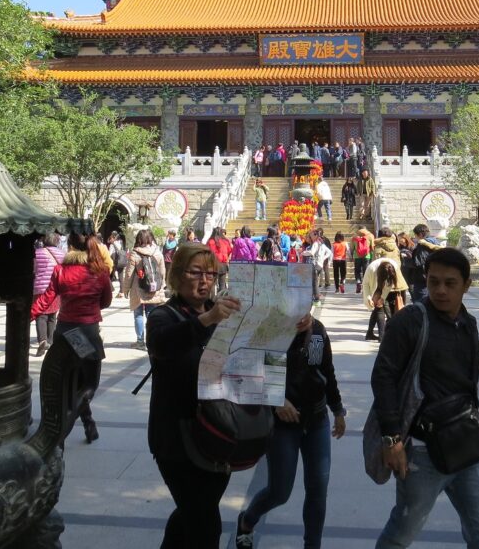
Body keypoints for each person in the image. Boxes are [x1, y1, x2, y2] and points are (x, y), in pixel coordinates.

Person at [371, 248, 479, 548]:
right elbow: (383, 377)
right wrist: (391, 440)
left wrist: (478, 434)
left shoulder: (469, 324)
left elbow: (469, 384)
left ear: (467, 285)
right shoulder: (411, 321)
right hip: (422, 452)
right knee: (400, 536)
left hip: (466, 448)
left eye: (450, 283)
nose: (440, 290)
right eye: (433, 281)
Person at [146, 243, 242, 549]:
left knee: (193, 513)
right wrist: (208, 319)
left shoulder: (223, 314)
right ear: (177, 275)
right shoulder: (163, 315)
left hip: (217, 436)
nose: (205, 280)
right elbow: (163, 345)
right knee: (204, 523)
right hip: (176, 438)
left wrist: (298, 329)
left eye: (211, 274)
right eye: (196, 272)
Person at [235, 316, 346, 549]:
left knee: (318, 490)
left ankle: (312, 545)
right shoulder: (269, 330)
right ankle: (247, 520)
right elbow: (247, 372)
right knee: (279, 492)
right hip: (283, 426)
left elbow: (327, 371)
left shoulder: (318, 331)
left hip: (317, 421)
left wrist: (337, 409)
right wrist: (275, 400)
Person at [31, 232, 113, 442]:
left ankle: (88, 424)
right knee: (88, 386)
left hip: (65, 333)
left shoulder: (61, 270)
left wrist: (28, 316)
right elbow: (106, 302)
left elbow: (47, 298)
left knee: (70, 383)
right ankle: (63, 429)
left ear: (70, 246)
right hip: (88, 334)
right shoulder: (100, 272)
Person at [122, 229, 167, 350]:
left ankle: (140, 341)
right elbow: (162, 271)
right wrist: (161, 285)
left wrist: (125, 289)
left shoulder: (135, 253)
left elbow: (129, 274)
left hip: (139, 288)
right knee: (151, 314)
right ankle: (152, 339)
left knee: (138, 314)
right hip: (154, 288)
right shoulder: (157, 252)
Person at [32, 232, 65, 356]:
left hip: (40, 288)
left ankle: (42, 341)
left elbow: (34, 269)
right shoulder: (62, 254)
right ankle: (51, 342)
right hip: (56, 289)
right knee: (52, 316)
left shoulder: (37, 253)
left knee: (40, 315)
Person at [363, 256, 406, 341]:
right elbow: (365, 284)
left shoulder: (394, 267)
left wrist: (382, 298)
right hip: (376, 286)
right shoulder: (371, 268)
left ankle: (373, 334)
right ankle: (381, 337)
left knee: (379, 307)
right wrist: (368, 297)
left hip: (391, 289)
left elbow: (389, 285)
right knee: (379, 309)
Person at [207, 227, 232, 295]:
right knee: (222, 285)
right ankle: (221, 301)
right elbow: (230, 250)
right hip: (223, 265)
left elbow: (207, 252)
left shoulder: (210, 241)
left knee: (212, 284)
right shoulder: (226, 241)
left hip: (213, 265)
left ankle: (211, 301)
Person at [352, 226, 374, 293]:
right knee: (366, 271)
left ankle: (358, 282)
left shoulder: (355, 237)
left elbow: (352, 247)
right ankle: (365, 287)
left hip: (357, 256)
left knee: (357, 271)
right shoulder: (370, 236)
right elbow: (372, 247)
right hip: (367, 256)